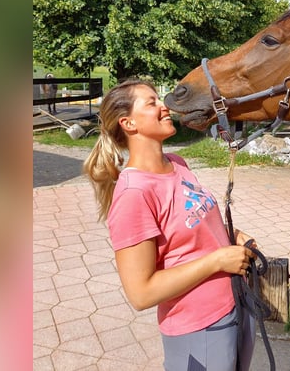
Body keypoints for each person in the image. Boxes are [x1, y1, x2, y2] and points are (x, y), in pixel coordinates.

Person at [83, 79, 257, 371]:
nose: (165, 106)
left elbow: (195, 227)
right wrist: (217, 261)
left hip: (234, 304)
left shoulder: (177, 163)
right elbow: (141, 293)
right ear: (128, 123)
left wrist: (232, 236)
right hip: (199, 328)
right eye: (151, 103)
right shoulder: (134, 194)